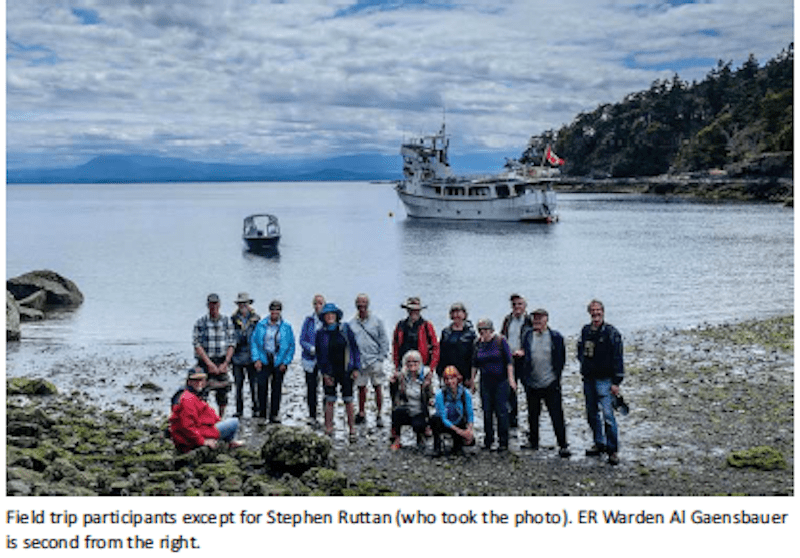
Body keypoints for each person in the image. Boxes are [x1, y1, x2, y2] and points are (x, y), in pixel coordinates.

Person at [577, 299, 624, 465]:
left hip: (606, 380)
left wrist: (617, 381)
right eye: (593, 311)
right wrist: (584, 365)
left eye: (598, 311)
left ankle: (612, 450)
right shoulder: (586, 331)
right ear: (589, 312)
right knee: (591, 413)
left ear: (603, 312)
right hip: (589, 379)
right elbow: (580, 350)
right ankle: (599, 443)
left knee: (608, 416)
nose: (596, 313)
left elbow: (618, 358)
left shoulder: (612, 333)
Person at [520, 308, 571, 457]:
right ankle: (534, 442)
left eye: (540, 318)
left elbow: (561, 359)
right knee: (533, 415)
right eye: (535, 318)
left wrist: (556, 378)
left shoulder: (555, 337)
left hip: (550, 383)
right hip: (532, 383)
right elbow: (525, 356)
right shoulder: (527, 335)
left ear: (546, 320)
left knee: (556, 415)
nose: (537, 321)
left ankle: (563, 444)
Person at [315, 302, 361, 441]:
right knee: (329, 400)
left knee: (348, 399)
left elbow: (355, 349)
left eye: (332, 314)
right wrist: (324, 373)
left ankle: (352, 429)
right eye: (327, 315)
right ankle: (328, 428)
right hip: (330, 371)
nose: (330, 317)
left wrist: (356, 368)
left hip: (346, 369)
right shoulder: (320, 333)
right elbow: (319, 355)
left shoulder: (346, 329)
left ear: (337, 316)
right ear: (323, 317)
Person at [169, 368, 242, 453]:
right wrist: (202, 441)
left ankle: (225, 443)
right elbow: (187, 426)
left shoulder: (191, 395)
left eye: (201, 380)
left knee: (225, 422)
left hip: (197, 432)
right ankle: (227, 444)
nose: (199, 383)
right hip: (194, 437)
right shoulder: (188, 399)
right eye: (195, 380)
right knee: (234, 422)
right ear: (189, 382)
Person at [471, 318, 515, 452]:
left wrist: (511, 379)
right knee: (486, 411)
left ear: (491, 330)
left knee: (501, 411)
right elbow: (474, 364)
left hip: (501, 381)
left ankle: (503, 441)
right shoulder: (478, 344)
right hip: (485, 382)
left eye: (485, 330)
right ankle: (488, 440)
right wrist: (472, 381)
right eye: (480, 331)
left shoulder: (500, 341)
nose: (483, 333)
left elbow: (509, 362)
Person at [250, 300, 295, 423]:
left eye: (277, 310)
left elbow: (291, 346)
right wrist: (256, 359)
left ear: (280, 311)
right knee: (261, 386)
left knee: (277, 388)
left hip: (278, 360)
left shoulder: (286, 326)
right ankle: (262, 414)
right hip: (264, 358)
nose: (275, 312)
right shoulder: (261, 324)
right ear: (269, 311)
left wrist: (286, 362)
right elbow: (254, 343)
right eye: (273, 310)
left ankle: (274, 414)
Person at [349, 293, 390, 428]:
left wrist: (381, 358)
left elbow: (384, 340)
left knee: (378, 387)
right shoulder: (351, 324)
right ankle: (361, 413)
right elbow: (350, 345)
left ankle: (379, 414)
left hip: (375, 360)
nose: (362, 305)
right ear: (356, 305)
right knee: (361, 388)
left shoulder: (377, 321)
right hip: (360, 361)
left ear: (368, 304)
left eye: (364, 302)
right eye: (359, 303)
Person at [192, 293, 235, 417]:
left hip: (222, 360)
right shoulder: (201, 322)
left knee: (223, 391)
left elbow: (232, 343)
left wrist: (226, 363)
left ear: (219, 305)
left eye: (215, 304)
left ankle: (220, 417)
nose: (213, 307)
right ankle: (202, 417)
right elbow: (197, 344)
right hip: (205, 361)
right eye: (211, 304)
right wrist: (209, 363)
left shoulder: (227, 321)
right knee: (201, 391)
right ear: (208, 305)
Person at [500, 294, 532, 429]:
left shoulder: (529, 320)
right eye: (514, 304)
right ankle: (512, 419)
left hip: (524, 360)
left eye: (519, 304)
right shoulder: (508, 320)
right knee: (510, 390)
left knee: (529, 390)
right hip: (510, 359)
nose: (517, 307)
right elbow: (502, 336)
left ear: (525, 306)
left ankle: (531, 420)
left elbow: (534, 338)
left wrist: (524, 350)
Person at [389, 350, 432, 451]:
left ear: (420, 362)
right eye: (409, 362)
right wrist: (392, 384)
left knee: (419, 423)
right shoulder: (402, 376)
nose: (412, 364)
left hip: (421, 409)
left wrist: (427, 388)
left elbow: (432, 395)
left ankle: (421, 435)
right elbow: (393, 395)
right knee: (396, 411)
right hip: (407, 407)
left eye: (415, 362)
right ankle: (397, 439)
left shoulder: (427, 375)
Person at [430, 366, 475, 457]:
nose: (450, 382)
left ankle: (458, 444)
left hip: (459, 421)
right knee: (434, 418)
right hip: (447, 424)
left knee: (467, 445)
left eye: (452, 378)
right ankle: (437, 446)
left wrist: (469, 430)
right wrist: (459, 431)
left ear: (458, 379)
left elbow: (470, 413)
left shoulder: (465, 393)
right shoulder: (440, 394)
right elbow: (443, 418)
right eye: (447, 379)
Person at [392, 296, 439, 379]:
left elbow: (435, 347)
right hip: (404, 364)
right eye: (410, 310)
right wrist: (396, 366)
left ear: (420, 310)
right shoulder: (400, 325)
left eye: (415, 310)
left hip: (422, 365)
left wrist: (431, 368)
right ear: (407, 310)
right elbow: (395, 347)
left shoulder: (427, 326)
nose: (413, 312)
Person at [230, 292, 260, 418]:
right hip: (237, 357)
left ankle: (256, 408)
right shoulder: (232, 319)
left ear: (249, 304)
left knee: (254, 385)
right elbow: (230, 338)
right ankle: (239, 410)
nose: (243, 305)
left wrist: (258, 357)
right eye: (240, 303)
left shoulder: (256, 319)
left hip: (251, 356)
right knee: (238, 386)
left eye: (245, 303)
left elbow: (259, 338)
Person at [299, 294, 326, 427]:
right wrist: (310, 348)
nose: (318, 306)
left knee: (327, 387)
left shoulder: (328, 320)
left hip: (325, 359)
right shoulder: (308, 320)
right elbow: (302, 340)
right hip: (310, 359)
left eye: (320, 303)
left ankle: (327, 416)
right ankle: (312, 415)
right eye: (316, 303)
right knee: (311, 387)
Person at [436, 302, 477, 387]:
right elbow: (441, 353)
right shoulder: (446, 332)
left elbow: (473, 356)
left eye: (458, 312)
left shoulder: (471, 333)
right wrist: (440, 372)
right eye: (453, 313)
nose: (456, 315)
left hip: (465, 372)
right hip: (448, 372)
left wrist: (471, 377)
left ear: (464, 314)